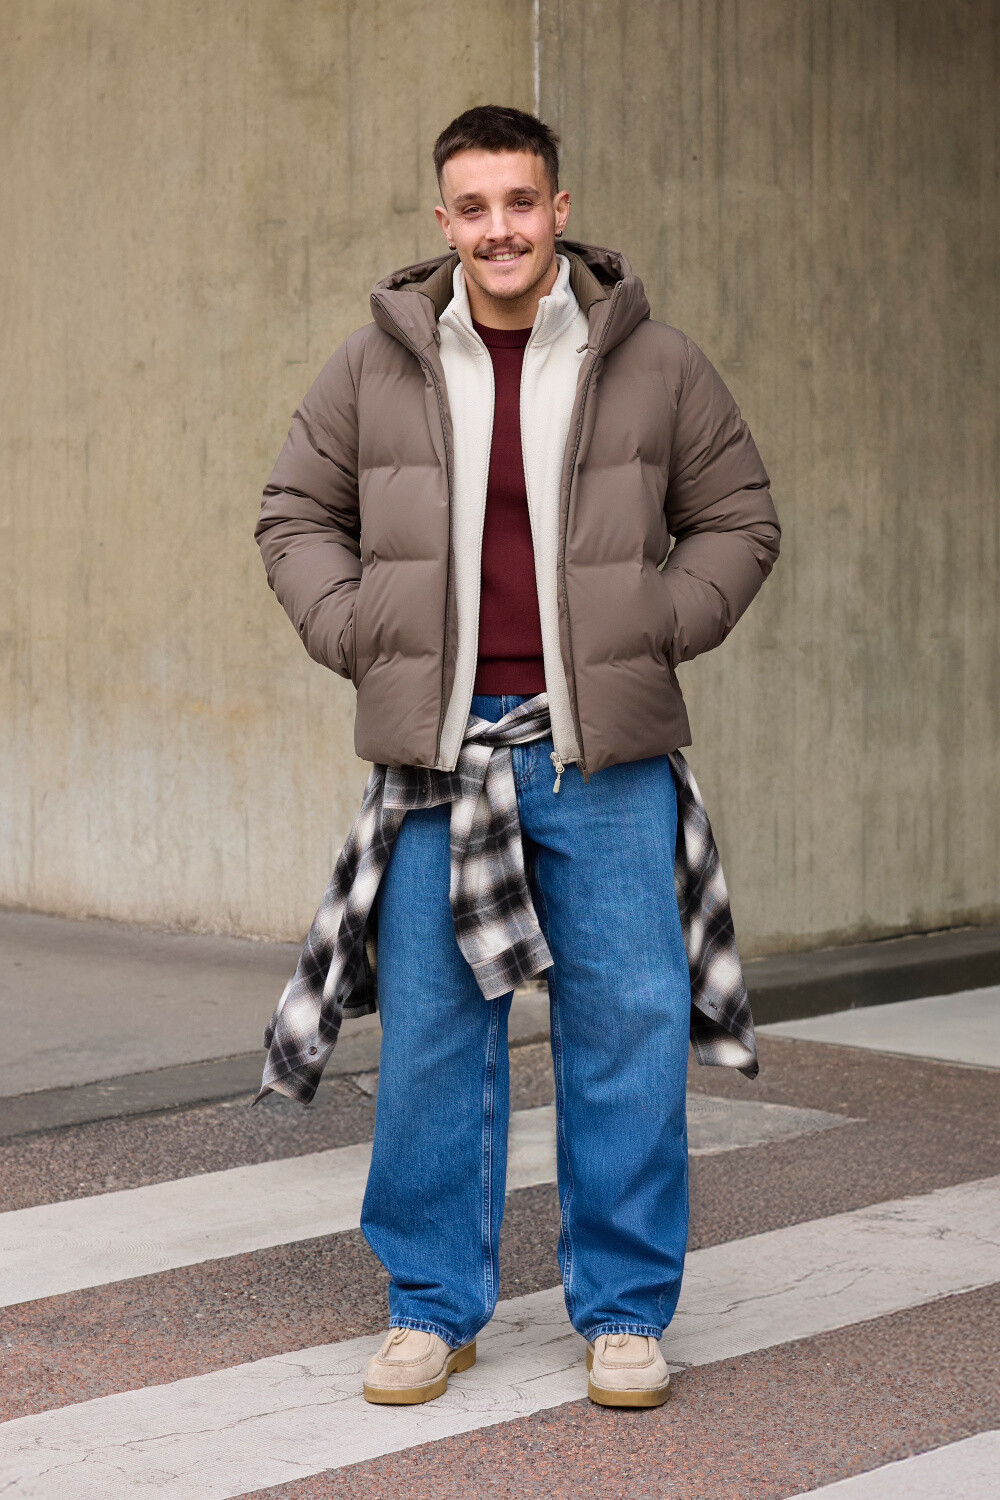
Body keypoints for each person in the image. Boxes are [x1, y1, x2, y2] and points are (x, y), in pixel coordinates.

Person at [255, 104, 780, 1409]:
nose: (501, 228)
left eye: (522, 202)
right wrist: (356, 634)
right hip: (440, 759)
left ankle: (624, 1312)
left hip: (601, 757)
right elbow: (294, 513)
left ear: (560, 210)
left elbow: (738, 518)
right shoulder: (374, 365)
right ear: (444, 220)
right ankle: (431, 1307)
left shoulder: (651, 360)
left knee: (630, 1032)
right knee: (435, 1045)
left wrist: (652, 630)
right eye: (475, 207)